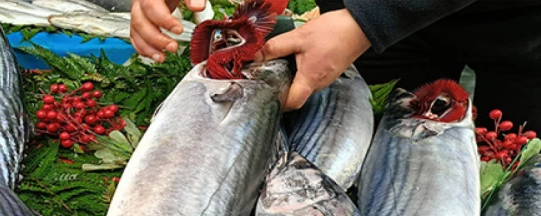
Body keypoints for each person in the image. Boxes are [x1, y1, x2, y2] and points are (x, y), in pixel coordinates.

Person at [129, 0, 541, 128]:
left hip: (522, 29)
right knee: (381, 145)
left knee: (516, 170)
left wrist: (373, 19)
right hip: (370, 24)